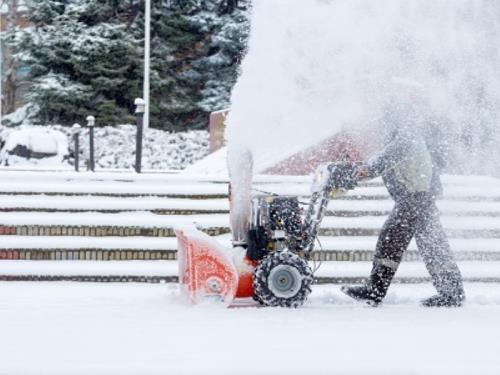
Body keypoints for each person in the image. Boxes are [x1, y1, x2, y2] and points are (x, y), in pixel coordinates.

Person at [341, 102, 465, 307]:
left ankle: (375, 290)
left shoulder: (405, 136)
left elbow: (389, 155)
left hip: (415, 198)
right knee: (432, 245)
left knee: (390, 240)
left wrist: (365, 170)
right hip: (421, 197)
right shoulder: (407, 133)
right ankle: (452, 291)